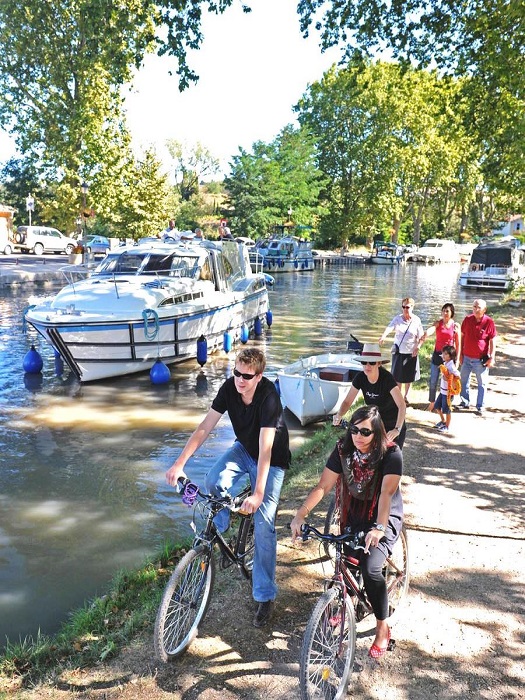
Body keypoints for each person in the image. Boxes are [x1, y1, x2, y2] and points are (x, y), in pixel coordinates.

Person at [165, 348, 290, 628]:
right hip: (245, 449)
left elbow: (266, 447)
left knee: (265, 525)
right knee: (213, 481)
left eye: (247, 376)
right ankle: (218, 533)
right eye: (236, 373)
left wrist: (258, 493)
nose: (240, 380)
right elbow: (205, 426)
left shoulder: (269, 398)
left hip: (271, 459)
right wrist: (179, 463)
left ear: (259, 376)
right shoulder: (229, 388)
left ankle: (265, 595)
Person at [291, 405, 403, 659]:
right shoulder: (343, 451)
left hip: (383, 516)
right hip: (355, 513)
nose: (358, 436)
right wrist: (301, 514)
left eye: (365, 431)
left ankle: (382, 627)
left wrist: (379, 528)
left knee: (370, 567)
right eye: (354, 429)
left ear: (376, 434)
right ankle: (346, 601)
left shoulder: (391, 455)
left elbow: (386, 494)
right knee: (346, 559)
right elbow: (324, 485)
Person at [333, 342, 407, 449]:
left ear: (379, 363)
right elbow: (347, 402)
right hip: (375, 424)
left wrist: (397, 429)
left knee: (392, 459)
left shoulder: (387, 378)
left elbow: (401, 405)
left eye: (372, 363)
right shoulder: (360, 377)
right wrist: (339, 415)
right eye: (364, 362)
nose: (367, 366)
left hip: (393, 424)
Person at [379, 297, 424, 405]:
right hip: (399, 352)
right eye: (403, 307)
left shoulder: (416, 320)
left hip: (411, 352)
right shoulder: (397, 319)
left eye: (407, 307)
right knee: (397, 376)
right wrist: (383, 336)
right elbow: (390, 327)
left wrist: (418, 347)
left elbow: (421, 336)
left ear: (412, 307)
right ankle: (398, 397)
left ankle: (406, 396)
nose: (405, 309)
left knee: (409, 376)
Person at [458, 299, 497, 416]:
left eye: (478, 307)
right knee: (464, 380)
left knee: (482, 383)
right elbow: (462, 336)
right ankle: (464, 402)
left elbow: (492, 340)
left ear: (484, 310)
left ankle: (480, 406)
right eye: (474, 306)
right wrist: (460, 354)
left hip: (480, 359)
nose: (476, 309)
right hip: (466, 357)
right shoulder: (467, 319)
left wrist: (492, 356)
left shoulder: (489, 322)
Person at [420, 303, 461, 412]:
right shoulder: (438, 323)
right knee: (433, 380)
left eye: (447, 311)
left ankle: (447, 403)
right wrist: (425, 333)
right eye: (443, 311)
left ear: (452, 313)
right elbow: (432, 329)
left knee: (449, 381)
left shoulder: (456, 326)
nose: (445, 313)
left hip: (449, 358)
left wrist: (457, 361)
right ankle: (432, 403)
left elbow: (458, 343)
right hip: (438, 355)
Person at [433, 345, 461, 434]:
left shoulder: (451, 366)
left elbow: (458, 376)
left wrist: (450, 379)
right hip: (442, 391)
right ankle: (443, 421)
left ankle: (447, 426)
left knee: (447, 410)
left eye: (445, 354)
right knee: (437, 406)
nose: (443, 355)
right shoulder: (445, 364)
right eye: (443, 353)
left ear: (451, 356)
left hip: (448, 393)